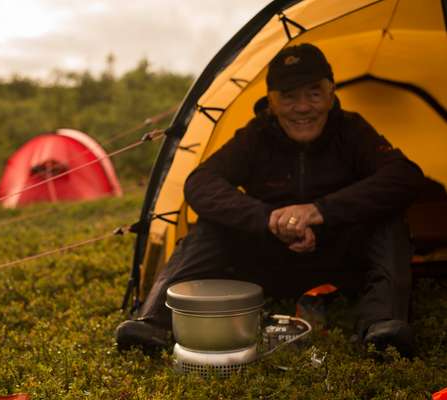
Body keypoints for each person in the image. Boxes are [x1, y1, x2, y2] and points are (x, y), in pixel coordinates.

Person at [116, 43, 425, 356]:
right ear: (271, 103)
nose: (303, 107)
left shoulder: (351, 129)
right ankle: (153, 322)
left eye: (314, 93)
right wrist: (268, 219)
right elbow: (200, 183)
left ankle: (382, 327)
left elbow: (405, 176)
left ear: (331, 94)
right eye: (289, 96)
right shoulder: (256, 135)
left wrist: (320, 212)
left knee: (389, 219)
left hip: (340, 260)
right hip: (268, 261)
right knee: (210, 225)